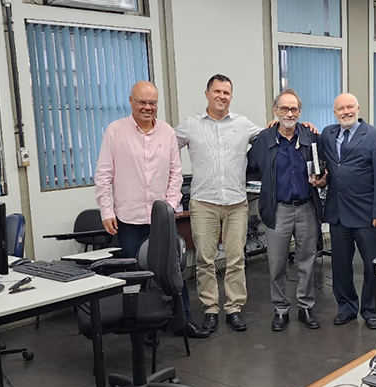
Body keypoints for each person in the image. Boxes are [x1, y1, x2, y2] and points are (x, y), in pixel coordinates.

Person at [95, 81, 209, 339]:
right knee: (136, 275)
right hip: (129, 218)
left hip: (161, 220)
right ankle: (143, 329)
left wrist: (168, 209)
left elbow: (175, 174)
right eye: (143, 102)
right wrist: (106, 211)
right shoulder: (115, 131)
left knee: (172, 271)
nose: (148, 107)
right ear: (131, 102)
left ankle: (183, 321)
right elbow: (103, 175)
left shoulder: (167, 132)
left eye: (153, 103)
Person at [175, 74, 259, 333]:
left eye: (226, 92)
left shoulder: (244, 124)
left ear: (231, 96)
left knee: (236, 259)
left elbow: (271, 137)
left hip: (236, 202)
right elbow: (163, 147)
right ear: (207, 93)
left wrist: (298, 126)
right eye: (217, 91)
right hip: (204, 203)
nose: (222, 96)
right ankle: (211, 309)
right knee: (205, 260)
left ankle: (234, 308)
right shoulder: (190, 125)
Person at [311, 93, 376, 330]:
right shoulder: (328, 133)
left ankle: (371, 310)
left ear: (358, 108)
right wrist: (322, 181)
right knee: (340, 265)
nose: (345, 112)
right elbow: (326, 167)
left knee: (371, 265)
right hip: (338, 214)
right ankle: (346, 307)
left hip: (367, 215)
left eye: (349, 107)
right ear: (334, 113)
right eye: (340, 109)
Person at [247, 88, 322, 332]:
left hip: (306, 208)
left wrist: (322, 181)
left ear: (300, 112)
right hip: (277, 210)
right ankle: (280, 309)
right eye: (284, 108)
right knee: (277, 263)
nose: (289, 113)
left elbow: (324, 171)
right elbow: (251, 166)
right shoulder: (265, 139)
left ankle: (305, 306)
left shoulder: (311, 137)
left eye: (294, 109)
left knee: (306, 261)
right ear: (275, 111)